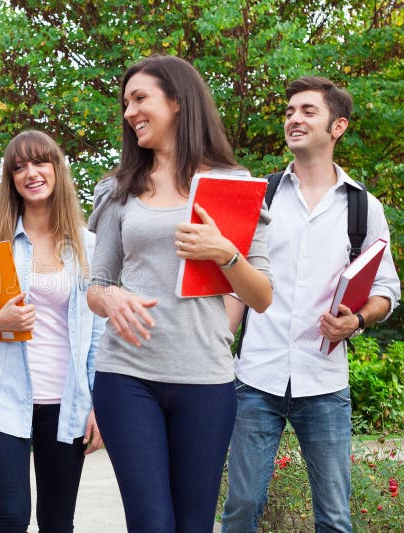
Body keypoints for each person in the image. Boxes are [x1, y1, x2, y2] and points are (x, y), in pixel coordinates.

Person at [85, 55, 273, 532]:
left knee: (192, 524)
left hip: (205, 378)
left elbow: (262, 296)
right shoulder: (117, 189)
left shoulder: (234, 185)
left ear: (177, 102)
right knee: (151, 522)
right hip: (126, 375)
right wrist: (112, 300)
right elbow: (97, 285)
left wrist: (225, 253)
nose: (129, 112)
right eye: (126, 103)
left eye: (140, 98)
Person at [221, 76, 400, 532]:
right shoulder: (259, 197)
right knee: (240, 509)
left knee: (335, 518)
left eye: (307, 111)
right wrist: (218, 345)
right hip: (256, 379)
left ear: (337, 126)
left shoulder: (364, 208)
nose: (293, 119)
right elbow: (236, 284)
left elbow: (386, 289)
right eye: (289, 112)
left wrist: (357, 320)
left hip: (324, 383)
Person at [0, 130, 105, 533]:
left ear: (57, 169)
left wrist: (97, 404)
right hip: (3, 402)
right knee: (10, 520)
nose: (31, 172)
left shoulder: (88, 247)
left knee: (58, 523)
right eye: (19, 167)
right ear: (11, 180)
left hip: (67, 403)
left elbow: (98, 338)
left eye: (40, 162)